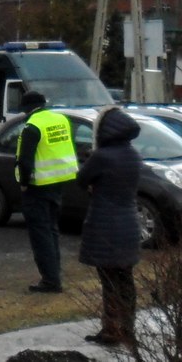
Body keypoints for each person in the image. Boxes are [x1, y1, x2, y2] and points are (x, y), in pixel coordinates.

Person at [77, 106, 141, 348]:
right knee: (126, 281)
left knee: (109, 282)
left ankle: (111, 331)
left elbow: (82, 180)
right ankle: (127, 329)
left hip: (106, 228)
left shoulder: (102, 156)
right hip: (129, 226)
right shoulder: (133, 154)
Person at [14, 90, 77, 293]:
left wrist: (24, 182)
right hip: (59, 182)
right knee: (51, 231)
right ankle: (55, 272)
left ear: (27, 109)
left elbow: (25, 160)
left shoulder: (32, 126)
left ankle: (50, 280)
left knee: (40, 235)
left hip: (37, 186)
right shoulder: (61, 120)